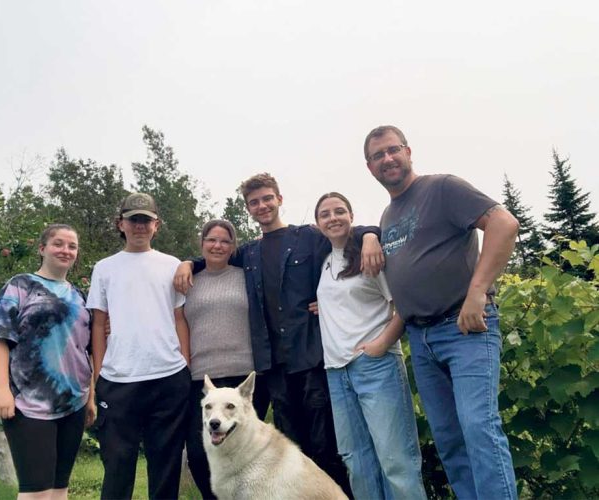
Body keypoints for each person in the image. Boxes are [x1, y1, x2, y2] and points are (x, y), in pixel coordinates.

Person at [175, 173, 382, 495]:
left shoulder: (308, 238)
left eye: (267, 198)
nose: (262, 206)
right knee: (291, 454)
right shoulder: (249, 253)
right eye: (254, 202)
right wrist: (189, 263)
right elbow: (216, 257)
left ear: (279, 199)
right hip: (274, 368)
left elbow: (344, 234)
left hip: (311, 358)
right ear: (249, 209)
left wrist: (369, 236)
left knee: (325, 447)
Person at [363, 125, 519, 499]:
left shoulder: (442, 188)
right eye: (378, 156)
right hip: (421, 338)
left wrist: (477, 291)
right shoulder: (387, 216)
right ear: (369, 168)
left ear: (408, 151)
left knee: (478, 426)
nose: (388, 159)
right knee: (450, 439)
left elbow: (504, 223)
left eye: (393, 150)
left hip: (464, 329)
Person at [314, 192, 426, 500]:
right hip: (337, 372)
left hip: (375, 366)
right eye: (325, 214)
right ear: (317, 223)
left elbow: (403, 304)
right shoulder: (323, 262)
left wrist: (382, 344)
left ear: (351, 216)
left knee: (396, 460)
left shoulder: (369, 256)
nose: (333, 217)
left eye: (339, 211)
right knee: (357, 462)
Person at [87, 193, 191, 500]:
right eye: (133, 220)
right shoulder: (104, 268)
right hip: (119, 381)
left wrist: (184, 365)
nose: (139, 226)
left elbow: (180, 318)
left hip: (168, 378)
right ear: (121, 224)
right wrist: (99, 375)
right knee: (118, 466)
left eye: (146, 220)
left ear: (156, 225)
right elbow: (97, 324)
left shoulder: (172, 265)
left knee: (165, 467)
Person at [0, 223, 95, 500]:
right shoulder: (19, 286)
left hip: (74, 403)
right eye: (58, 244)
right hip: (27, 404)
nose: (65, 250)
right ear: (42, 248)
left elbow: (85, 349)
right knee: (36, 493)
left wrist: (91, 397)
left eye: (72, 246)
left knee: (59, 491)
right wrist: (0, 389)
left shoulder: (79, 296)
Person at [183, 219, 269, 499]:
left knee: (245, 455)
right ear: (202, 243)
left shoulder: (247, 276)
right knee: (199, 454)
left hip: (244, 378)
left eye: (225, 241)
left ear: (233, 247)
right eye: (212, 240)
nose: (218, 246)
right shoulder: (187, 280)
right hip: (201, 378)